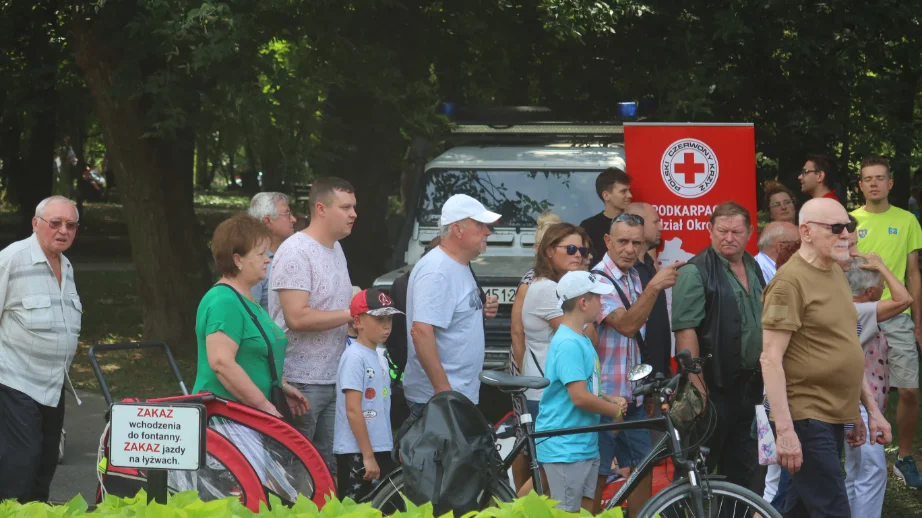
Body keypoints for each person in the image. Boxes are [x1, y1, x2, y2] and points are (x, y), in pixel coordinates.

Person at [761, 198, 892, 517]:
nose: (846, 234)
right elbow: (770, 359)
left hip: (833, 414)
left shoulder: (835, 272)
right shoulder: (789, 282)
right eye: (835, 228)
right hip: (806, 416)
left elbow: (846, 347)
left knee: (800, 510)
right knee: (833, 509)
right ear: (805, 232)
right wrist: (786, 431)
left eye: (847, 226)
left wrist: (866, 411)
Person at [671, 201, 766, 494]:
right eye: (722, 230)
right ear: (710, 230)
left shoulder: (753, 265)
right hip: (714, 387)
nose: (729, 238)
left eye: (736, 231)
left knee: (744, 468)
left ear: (750, 232)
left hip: (750, 386)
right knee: (695, 468)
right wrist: (697, 386)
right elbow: (686, 331)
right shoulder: (694, 271)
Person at [592, 213, 684, 513]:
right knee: (598, 474)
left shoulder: (633, 276)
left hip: (630, 397)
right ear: (607, 241)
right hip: (604, 399)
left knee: (643, 467)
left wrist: (641, 390)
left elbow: (635, 343)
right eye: (623, 242)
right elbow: (628, 326)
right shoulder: (596, 281)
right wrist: (655, 287)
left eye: (637, 242)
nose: (630, 249)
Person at [270, 177, 356, 478]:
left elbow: (332, 306)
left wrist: (357, 318)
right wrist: (351, 313)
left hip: (333, 377)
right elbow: (297, 318)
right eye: (345, 207)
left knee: (326, 470)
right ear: (321, 208)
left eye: (353, 207)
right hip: (299, 382)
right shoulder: (296, 251)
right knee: (298, 471)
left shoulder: (336, 249)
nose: (353, 214)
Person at [0, 196, 82, 503]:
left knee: (44, 466)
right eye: (55, 223)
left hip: (53, 384)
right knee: (19, 467)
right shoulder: (11, 259)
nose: (63, 231)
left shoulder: (67, 265)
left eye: (71, 225)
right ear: (36, 224)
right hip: (14, 382)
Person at [851, 155, 922, 488]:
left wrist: (918, 322)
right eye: (869, 178)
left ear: (890, 183)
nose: (875, 183)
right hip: (858, 316)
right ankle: (856, 453)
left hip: (898, 314)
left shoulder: (907, 220)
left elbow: (913, 274)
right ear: (861, 185)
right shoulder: (848, 221)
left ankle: (903, 458)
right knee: (857, 390)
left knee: (909, 390)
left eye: (880, 178)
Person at [535, 270, 627, 513]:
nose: (602, 303)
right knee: (567, 512)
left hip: (582, 443)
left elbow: (587, 387)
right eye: (598, 297)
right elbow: (579, 396)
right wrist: (614, 411)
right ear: (583, 302)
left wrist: (608, 398)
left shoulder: (581, 338)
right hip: (566, 446)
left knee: (585, 510)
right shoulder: (568, 343)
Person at [403, 194, 500, 414]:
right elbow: (421, 332)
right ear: (457, 229)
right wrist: (443, 392)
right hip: (439, 400)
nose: (488, 231)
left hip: (456, 394)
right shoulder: (438, 271)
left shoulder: (457, 264)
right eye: (480, 225)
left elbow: (448, 313)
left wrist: (478, 311)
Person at [844, 254, 911, 518]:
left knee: (856, 470)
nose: (885, 287)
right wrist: (882, 266)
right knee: (872, 471)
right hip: (861, 405)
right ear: (870, 290)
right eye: (881, 283)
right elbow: (904, 299)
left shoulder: (849, 308)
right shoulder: (862, 310)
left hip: (858, 403)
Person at [333, 288, 403, 500]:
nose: (387, 325)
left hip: (377, 447)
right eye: (379, 319)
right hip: (357, 452)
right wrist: (367, 456)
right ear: (358, 322)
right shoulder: (354, 357)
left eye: (389, 318)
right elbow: (353, 410)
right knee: (354, 508)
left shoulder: (379, 356)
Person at [623, 202, 673, 378]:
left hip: (658, 372)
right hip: (636, 377)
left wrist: (664, 364)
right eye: (656, 222)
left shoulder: (650, 265)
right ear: (639, 225)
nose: (661, 226)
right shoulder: (626, 271)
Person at [511, 211, 562, 373]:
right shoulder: (530, 282)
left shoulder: (564, 277)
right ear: (537, 248)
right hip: (531, 367)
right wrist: (523, 374)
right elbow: (517, 332)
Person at [248, 192, 297, 311]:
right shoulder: (253, 263)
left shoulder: (293, 253)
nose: (294, 219)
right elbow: (249, 315)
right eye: (287, 213)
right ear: (268, 221)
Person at [580, 166, 632, 265]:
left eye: (629, 190)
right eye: (623, 191)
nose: (630, 195)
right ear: (606, 196)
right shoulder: (589, 227)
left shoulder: (636, 223)